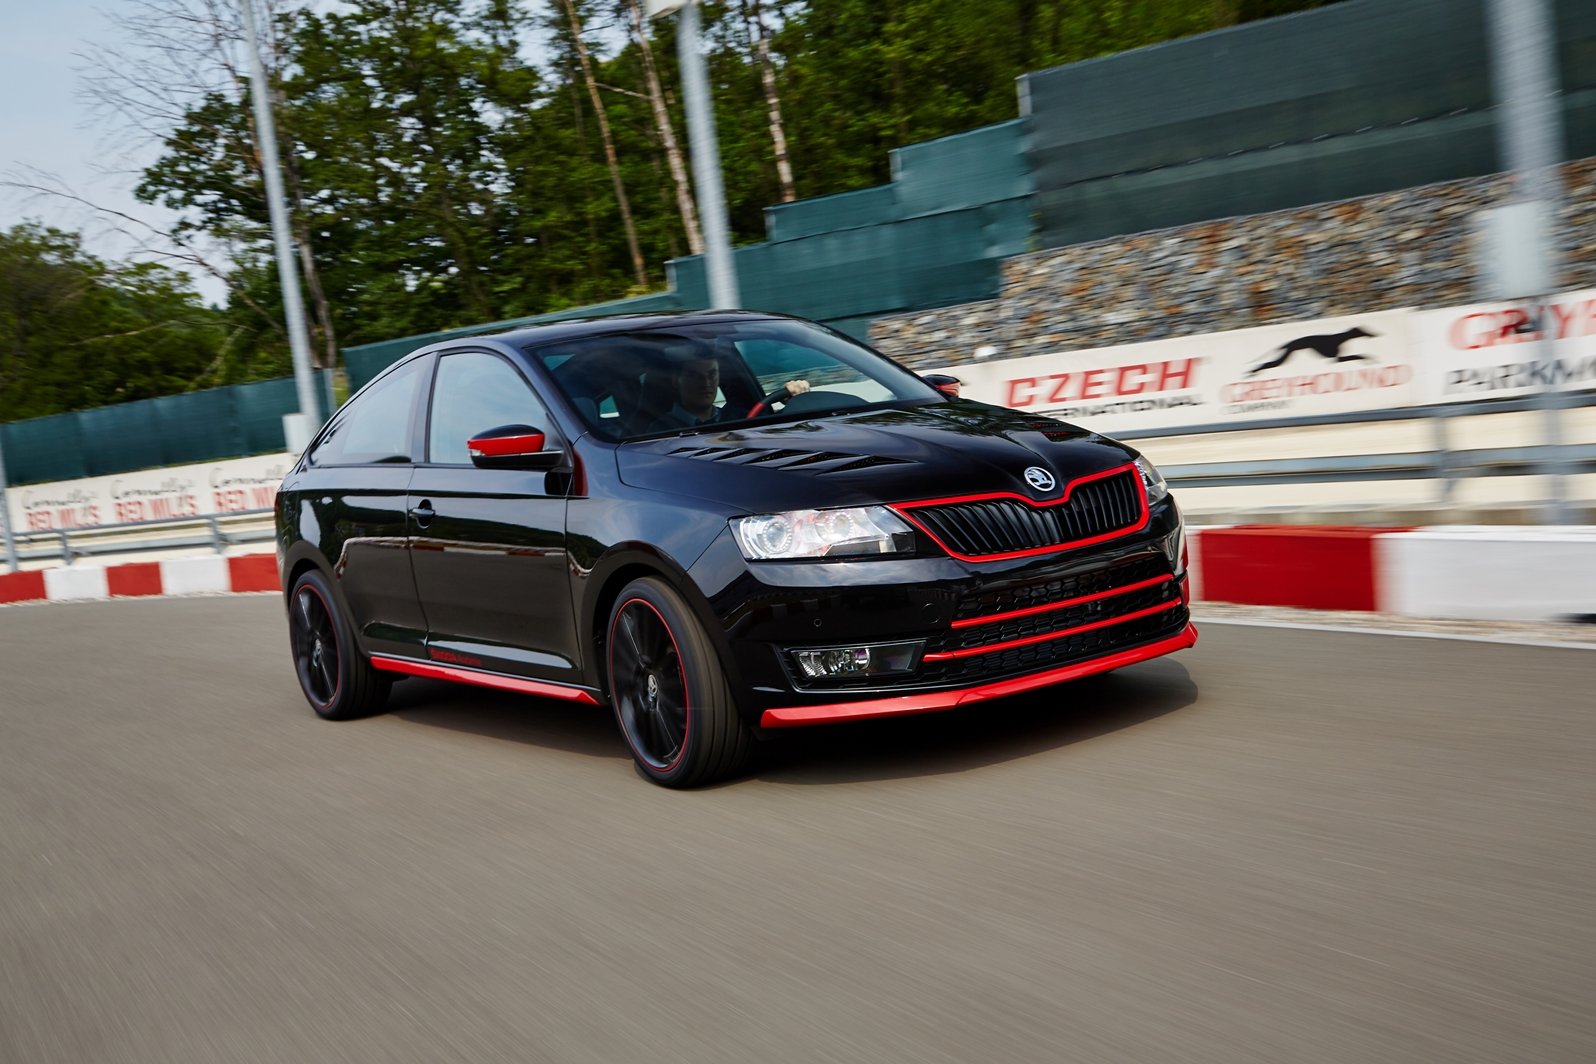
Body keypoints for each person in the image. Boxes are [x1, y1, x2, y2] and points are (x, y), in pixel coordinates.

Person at [644, 355, 810, 431]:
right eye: (694, 376)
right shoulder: (659, 430)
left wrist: (796, 403)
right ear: (676, 381)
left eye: (712, 374)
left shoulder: (740, 416)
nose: (706, 383)